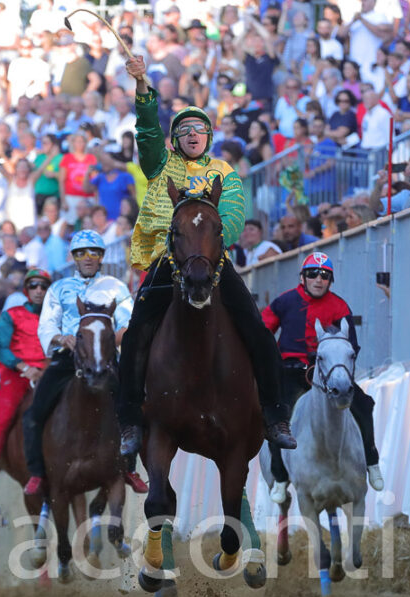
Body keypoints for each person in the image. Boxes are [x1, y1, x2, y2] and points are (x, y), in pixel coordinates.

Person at [116, 54, 297, 481]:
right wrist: (143, 86)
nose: (191, 135)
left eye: (198, 130)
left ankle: (274, 416)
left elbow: (233, 216)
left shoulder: (224, 171)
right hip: (167, 260)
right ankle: (128, 422)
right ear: (175, 139)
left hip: (212, 262)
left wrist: (210, 250)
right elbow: (146, 131)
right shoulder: (162, 165)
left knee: (255, 328)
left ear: (209, 136)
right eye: (183, 130)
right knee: (138, 331)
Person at [262, 253, 384, 503]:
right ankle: (281, 476)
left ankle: (371, 462)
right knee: (276, 412)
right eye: (312, 274)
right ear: (302, 277)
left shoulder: (339, 306)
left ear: (330, 280)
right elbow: (263, 332)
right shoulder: (284, 302)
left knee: (364, 403)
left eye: (325, 275)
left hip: (329, 373)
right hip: (292, 372)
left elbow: (351, 345)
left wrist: (341, 372)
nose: (318, 279)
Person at [22, 232, 136, 496]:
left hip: (106, 358)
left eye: (94, 252)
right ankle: (38, 473)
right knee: (32, 414)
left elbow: (128, 323)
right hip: (67, 359)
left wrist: (111, 337)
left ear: (102, 256)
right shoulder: (58, 289)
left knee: (133, 408)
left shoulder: (115, 287)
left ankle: (128, 468)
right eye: (81, 253)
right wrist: (62, 337)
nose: (87, 258)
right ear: (73, 257)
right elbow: (47, 325)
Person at [0, 269, 51, 514]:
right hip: (17, 374)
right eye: (34, 286)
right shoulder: (11, 315)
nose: (39, 290)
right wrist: (24, 367)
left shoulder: (55, 316)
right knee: (2, 418)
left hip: (48, 372)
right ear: (27, 290)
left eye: (43, 286)